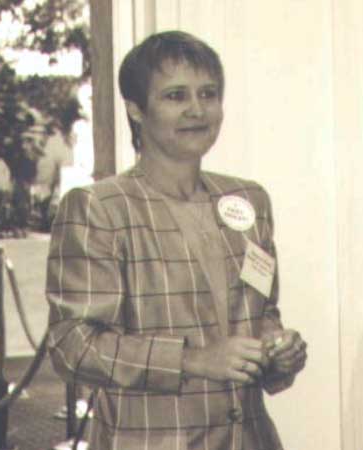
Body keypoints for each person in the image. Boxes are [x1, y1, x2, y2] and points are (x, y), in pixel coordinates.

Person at [46, 31, 307, 450]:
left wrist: (279, 351)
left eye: (209, 93)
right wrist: (192, 360)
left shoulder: (248, 201)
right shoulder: (99, 207)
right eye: (175, 96)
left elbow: (261, 313)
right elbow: (72, 346)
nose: (197, 110)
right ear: (135, 109)